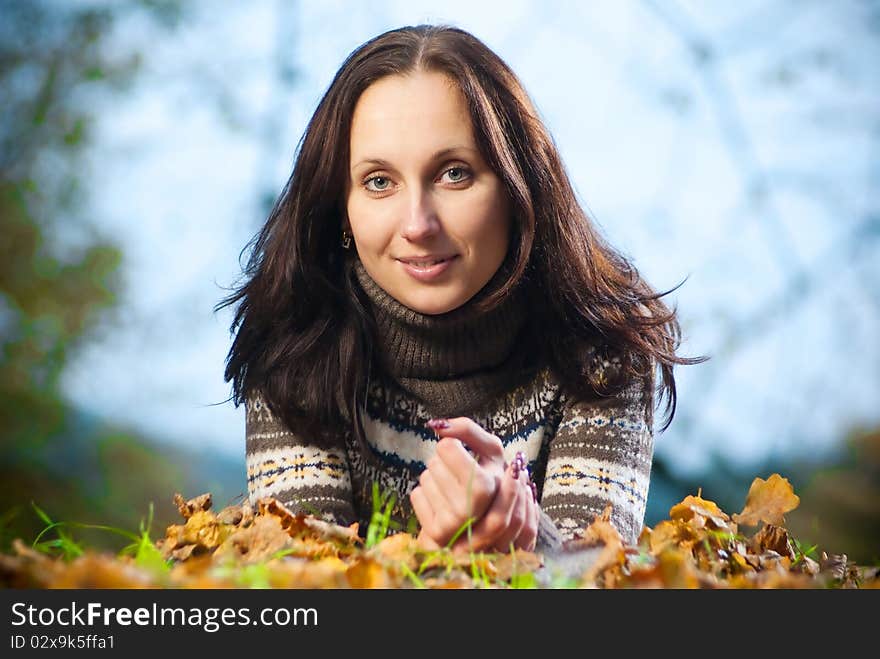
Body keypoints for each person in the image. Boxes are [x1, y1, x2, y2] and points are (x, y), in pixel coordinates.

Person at [217, 24, 703, 555]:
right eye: (379, 181)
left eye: (454, 174)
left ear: (521, 188)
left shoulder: (604, 351)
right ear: (342, 209)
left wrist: (529, 539)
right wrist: (437, 555)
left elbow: (599, 578)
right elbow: (300, 589)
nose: (418, 224)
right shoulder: (294, 350)